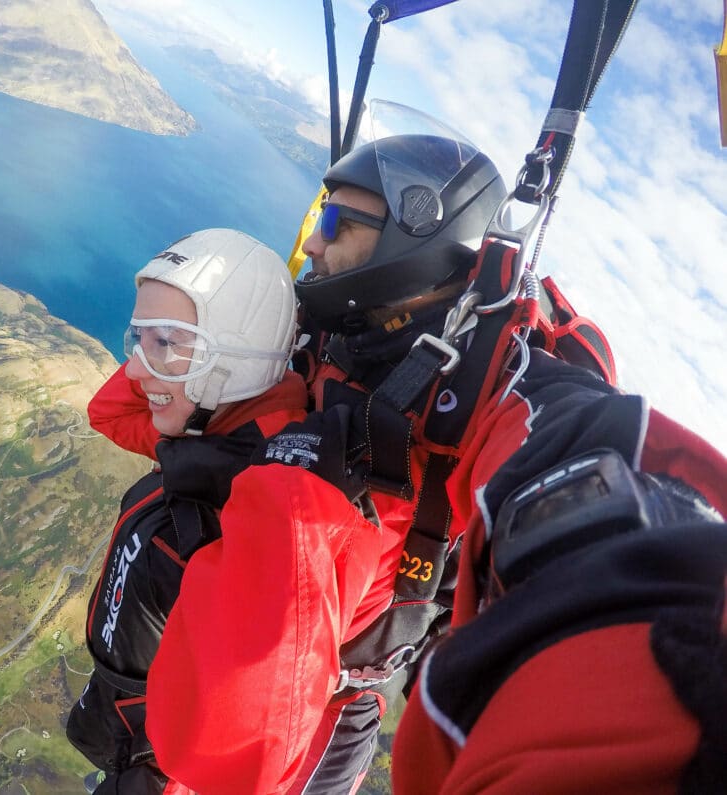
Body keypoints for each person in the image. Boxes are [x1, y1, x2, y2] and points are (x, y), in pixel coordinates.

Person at [143, 101, 727, 794]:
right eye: (315, 218)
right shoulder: (350, 325)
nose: (315, 245)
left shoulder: (499, 383)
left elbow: (599, 476)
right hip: (256, 655)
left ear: (410, 239)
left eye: (334, 223)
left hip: (333, 710)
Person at [66, 228, 382, 794]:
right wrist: (195, 367)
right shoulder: (221, 427)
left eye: (164, 342)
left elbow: (244, 746)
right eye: (139, 338)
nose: (135, 372)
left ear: (233, 363)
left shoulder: (273, 511)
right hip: (132, 730)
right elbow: (109, 413)